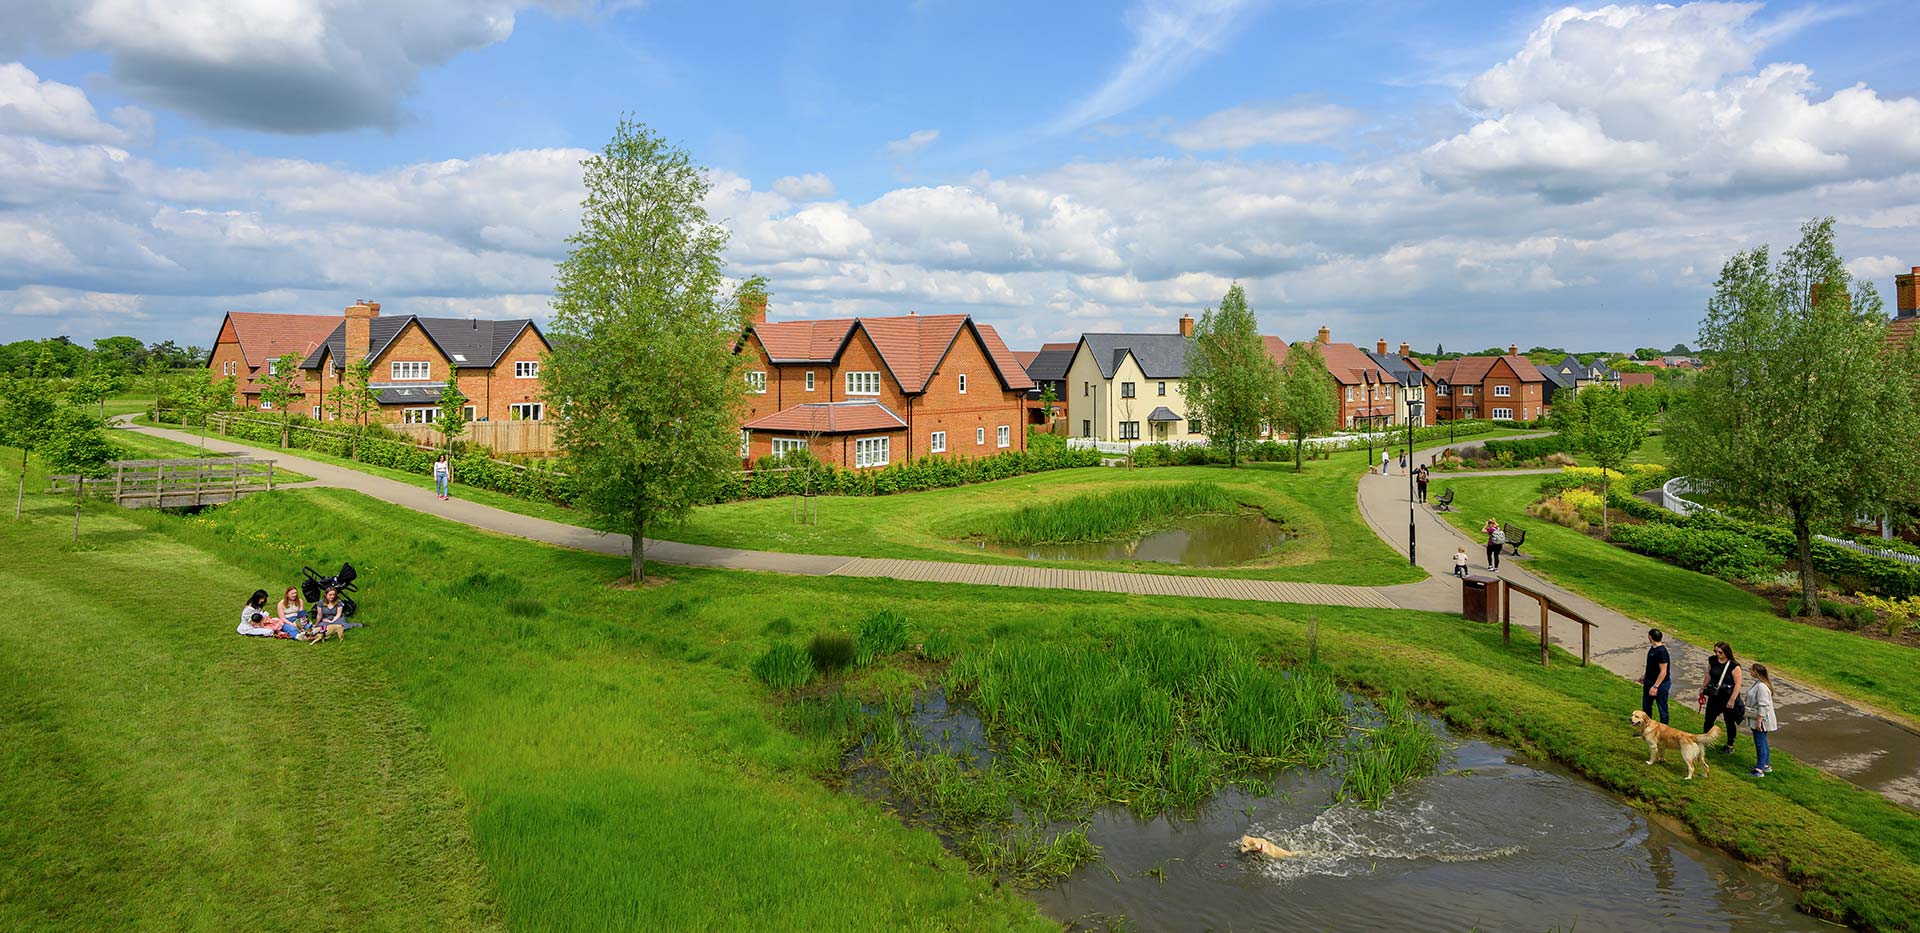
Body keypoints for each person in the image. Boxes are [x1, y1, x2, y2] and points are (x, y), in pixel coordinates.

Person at [1697, 640, 1743, 754]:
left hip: (1727, 697)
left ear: (1726, 652)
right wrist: (1703, 687)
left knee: (1729, 722)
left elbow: (1737, 684)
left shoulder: (1734, 666)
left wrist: (1732, 700)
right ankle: (1706, 740)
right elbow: (1708, 675)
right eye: (1716, 651)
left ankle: (1730, 745)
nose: (1717, 654)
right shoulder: (1712, 660)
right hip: (1715, 696)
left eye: (1720, 652)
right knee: (1708, 719)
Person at [1745, 662, 1778, 776]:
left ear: (1756, 672)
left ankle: (1759, 769)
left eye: (1751, 670)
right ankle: (1765, 765)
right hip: (1760, 719)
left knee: (1760, 743)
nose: (1750, 671)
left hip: (1762, 721)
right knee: (1763, 742)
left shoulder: (1761, 687)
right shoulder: (1758, 683)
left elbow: (1763, 705)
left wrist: (1759, 722)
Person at [1642, 628, 1671, 724]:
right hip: (1649, 681)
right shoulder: (1653, 648)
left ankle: (1664, 729)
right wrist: (1644, 676)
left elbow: (1663, 671)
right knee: (1646, 706)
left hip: (1660, 684)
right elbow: (1651, 666)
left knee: (1662, 708)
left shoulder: (1662, 652)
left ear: (1650, 637)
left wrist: (1655, 686)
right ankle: (1646, 726)